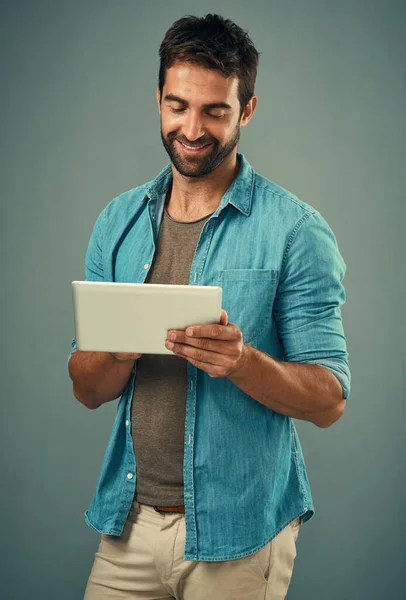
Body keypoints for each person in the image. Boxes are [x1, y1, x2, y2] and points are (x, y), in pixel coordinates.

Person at [68, 13, 351, 600]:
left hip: (241, 537)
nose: (191, 128)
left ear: (246, 109)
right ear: (159, 99)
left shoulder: (296, 231)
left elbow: (329, 401)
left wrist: (243, 363)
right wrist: (117, 350)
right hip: (129, 526)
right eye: (178, 106)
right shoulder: (116, 224)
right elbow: (87, 389)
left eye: (215, 111)